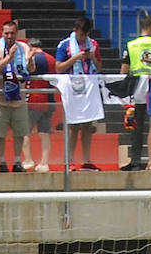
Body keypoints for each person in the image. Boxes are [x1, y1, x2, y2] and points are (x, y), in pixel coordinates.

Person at [52, 17, 107, 172]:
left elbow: (100, 67)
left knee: (88, 125)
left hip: (88, 90)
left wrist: (92, 58)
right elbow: (58, 68)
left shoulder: (94, 44)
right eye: (80, 34)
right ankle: (69, 160)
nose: (82, 38)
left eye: (85, 35)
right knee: (73, 126)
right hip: (72, 89)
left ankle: (86, 160)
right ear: (75, 30)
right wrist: (75, 58)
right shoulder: (65, 45)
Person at [0, 19, 37, 172]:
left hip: (18, 98)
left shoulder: (24, 47)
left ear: (17, 33)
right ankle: (1, 161)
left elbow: (31, 70)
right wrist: (8, 58)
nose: (9, 36)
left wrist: (30, 61)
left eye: (12, 33)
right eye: (6, 33)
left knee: (20, 132)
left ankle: (17, 161)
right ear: (2, 33)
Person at [122, 13, 151, 170]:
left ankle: (135, 161)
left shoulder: (131, 45)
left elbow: (124, 70)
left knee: (136, 124)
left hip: (136, 87)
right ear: (150, 26)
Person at [21, 38, 57, 172]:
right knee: (45, 132)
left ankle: (28, 159)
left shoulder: (33, 58)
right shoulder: (51, 59)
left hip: (34, 99)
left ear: (31, 47)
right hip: (49, 99)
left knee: (24, 131)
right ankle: (44, 163)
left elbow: (27, 72)